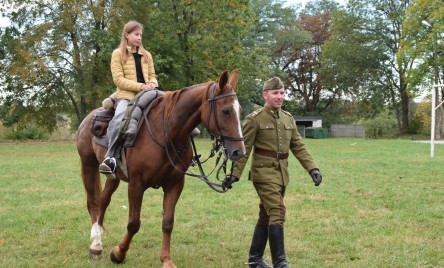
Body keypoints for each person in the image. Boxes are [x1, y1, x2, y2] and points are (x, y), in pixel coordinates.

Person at [223, 77, 322, 268]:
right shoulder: (255, 119)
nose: (279, 97)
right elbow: (245, 149)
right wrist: (234, 174)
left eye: (282, 93)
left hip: (281, 173)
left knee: (266, 215)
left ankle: (254, 259)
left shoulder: (288, 118)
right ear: (265, 95)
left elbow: (298, 146)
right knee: (277, 211)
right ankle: (280, 262)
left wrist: (313, 168)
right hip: (263, 174)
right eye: (275, 93)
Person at [99, 20, 158, 179]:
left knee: (173, 108)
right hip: (127, 96)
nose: (139, 38)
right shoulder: (117, 54)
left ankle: (183, 155)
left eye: (140, 35)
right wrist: (140, 86)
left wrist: (153, 82)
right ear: (127, 35)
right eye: (136, 34)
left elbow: (152, 75)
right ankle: (110, 158)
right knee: (119, 119)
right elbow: (118, 80)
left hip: (148, 94)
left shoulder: (147, 55)